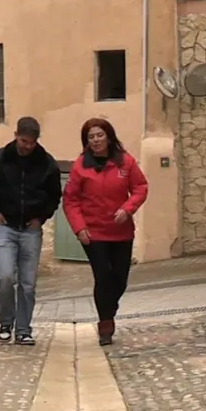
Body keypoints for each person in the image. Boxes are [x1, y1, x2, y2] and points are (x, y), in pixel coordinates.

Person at [0, 117, 62, 346]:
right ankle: (5, 321)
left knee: (28, 283)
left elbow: (54, 195)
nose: (28, 146)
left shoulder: (46, 164)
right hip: (6, 227)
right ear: (16, 135)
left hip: (31, 230)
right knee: (5, 277)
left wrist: (41, 217)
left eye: (32, 142)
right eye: (24, 141)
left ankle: (23, 329)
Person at [62, 118, 149, 347]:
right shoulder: (81, 166)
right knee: (103, 277)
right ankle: (105, 324)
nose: (96, 140)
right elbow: (70, 200)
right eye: (91, 137)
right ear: (86, 142)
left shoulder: (125, 162)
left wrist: (128, 208)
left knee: (119, 279)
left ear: (109, 137)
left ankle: (108, 307)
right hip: (93, 233)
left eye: (99, 135)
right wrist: (79, 228)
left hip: (121, 231)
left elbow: (140, 187)